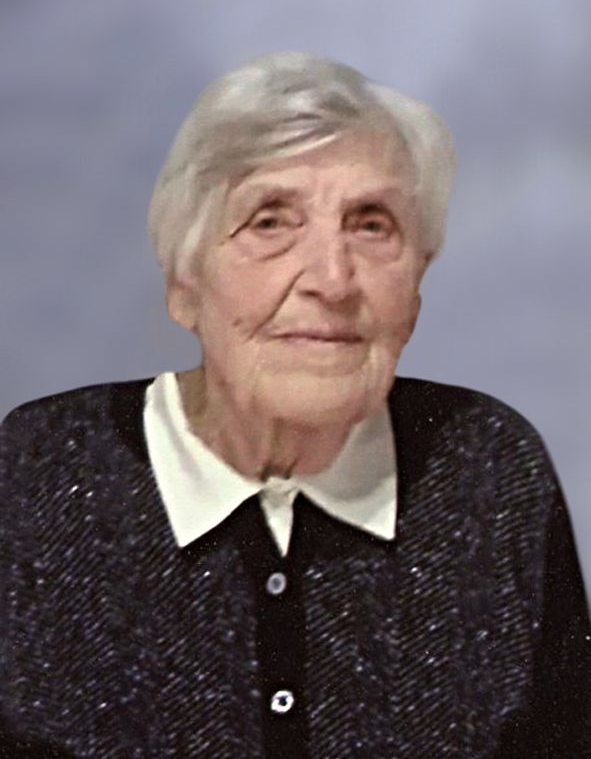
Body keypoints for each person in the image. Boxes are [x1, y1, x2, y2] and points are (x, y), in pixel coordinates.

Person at [1, 52, 589, 759]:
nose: (332, 280)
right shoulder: (43, 469)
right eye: (270, 222)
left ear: (415, 286)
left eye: (371, 225)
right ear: (184, 284)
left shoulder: (486, 465)